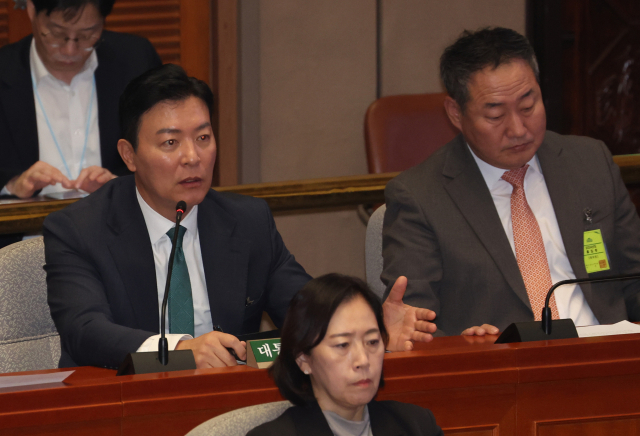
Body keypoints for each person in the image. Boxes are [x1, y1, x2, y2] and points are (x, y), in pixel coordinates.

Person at [44, 64, 436, 370]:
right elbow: (86, 331)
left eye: (203, 137)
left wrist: (371, 330)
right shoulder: (79, 230)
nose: (192, 157)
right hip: (125, 405)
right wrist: (180, 351)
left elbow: (303, 306)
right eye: (170, 142)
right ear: (129, 155)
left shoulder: (247, 221)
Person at [381, 27, 640, 337]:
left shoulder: (590, 162)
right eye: (495, 115)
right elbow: (415, 324)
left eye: (528, 107)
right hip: (502, 362)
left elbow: (634, 279)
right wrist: (463, 348)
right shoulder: (419, 197)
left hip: (606, 353)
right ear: (455, 113)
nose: (518, 129)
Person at [0, 0, 161, 227]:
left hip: (120, 233)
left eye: (87, 36)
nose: (70, 49)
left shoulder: (136, 61)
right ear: (32, 8)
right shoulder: (4, 70)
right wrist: (11, 185)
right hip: (23, 241)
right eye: (56, 34)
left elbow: (164, 157)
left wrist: (121, 186)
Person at [248, 274, 443, 436]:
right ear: (303, 359)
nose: (363, 360)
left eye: (372, 342)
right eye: (342, 345)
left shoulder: (417, 426)